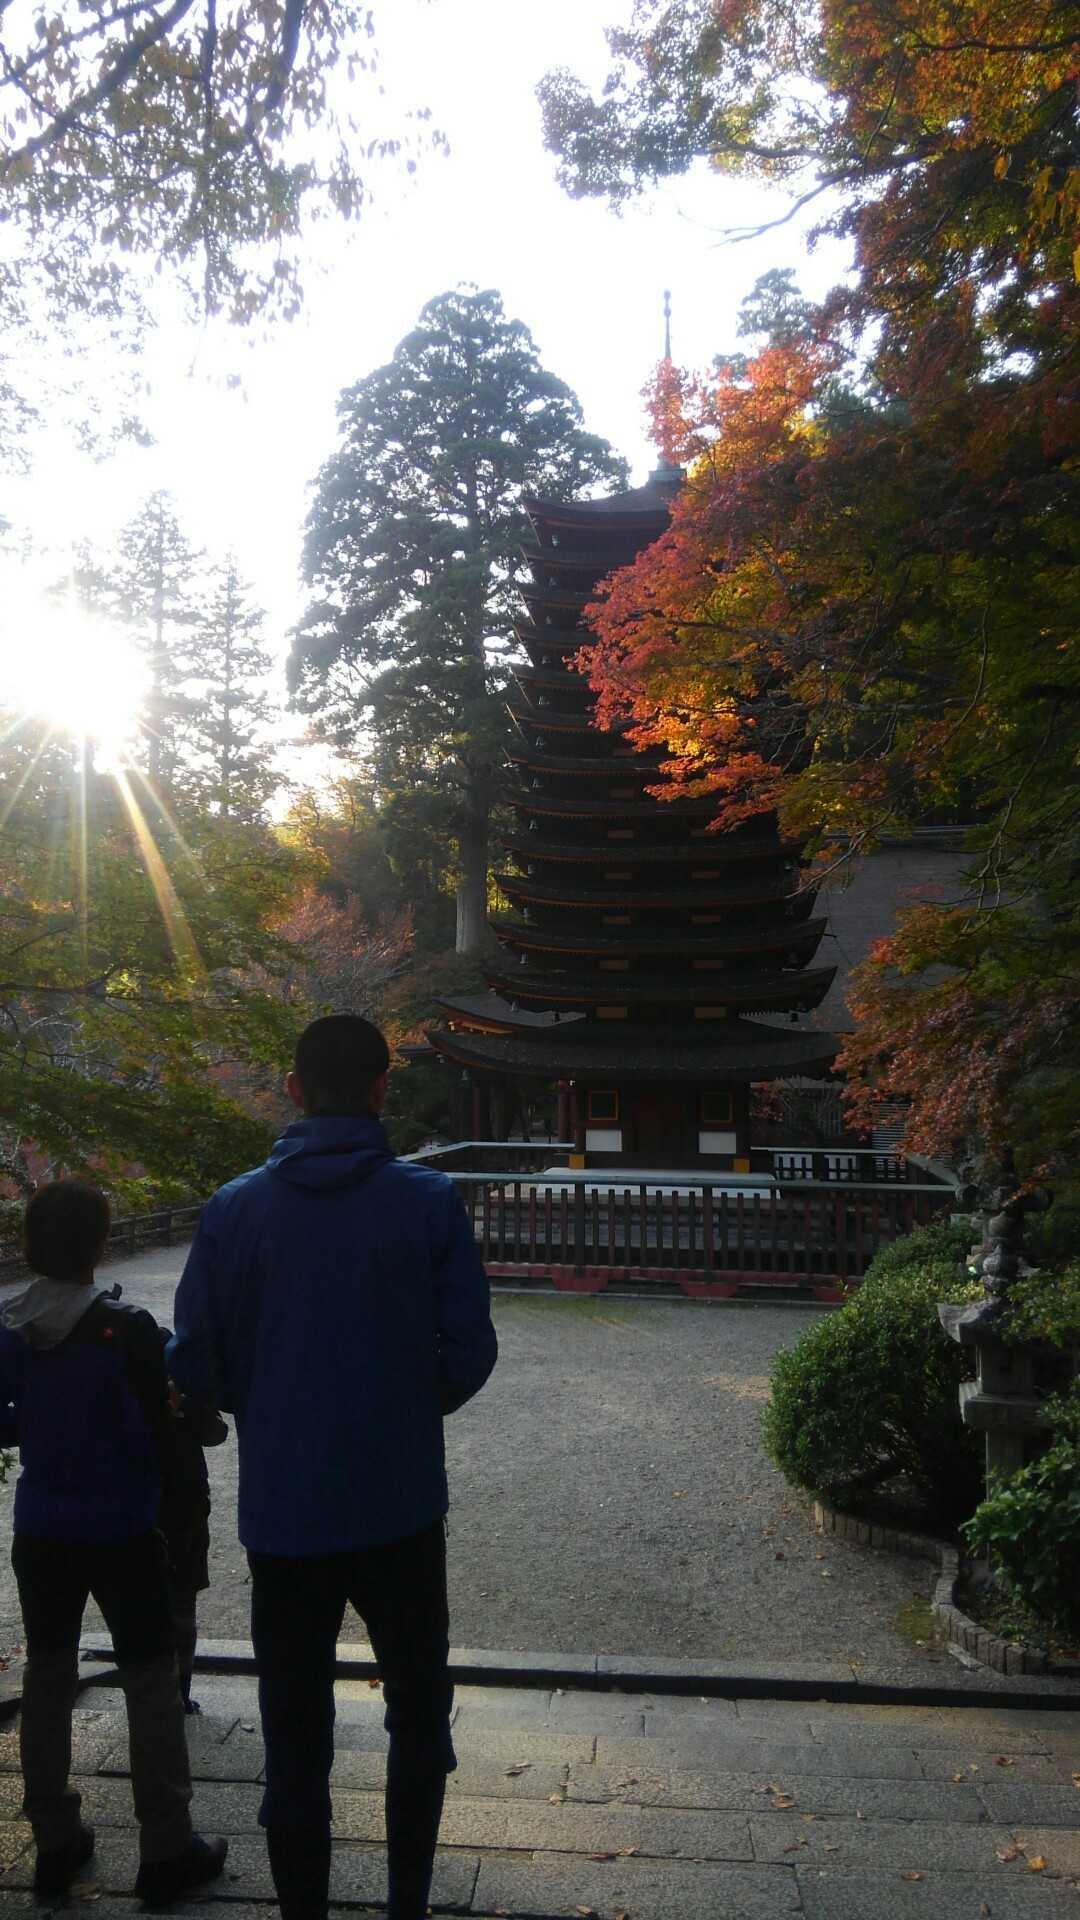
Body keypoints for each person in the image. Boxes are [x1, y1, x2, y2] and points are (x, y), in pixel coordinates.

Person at [168, 1014, 498, 1920]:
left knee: (294, 1728)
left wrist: (266, 1400)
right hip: (400, 1504)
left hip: (284, 1511)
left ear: (293, 1089)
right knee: (418, 1714)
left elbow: (192, 1357)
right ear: (384, 1089)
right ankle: (406, 1904)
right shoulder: (428, 1201)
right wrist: (402, 1408)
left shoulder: (235, 1209)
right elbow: (471, 1350)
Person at [0, 1180, 228, 1902]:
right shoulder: (126, 1329)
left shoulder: (10, 1325)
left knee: (47, 1674)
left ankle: (54, 1837)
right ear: (100, 1243)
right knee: (151, 1680)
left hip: (41, 1525)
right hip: (123, 1526)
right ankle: (165, 1846)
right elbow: (173, 1424)